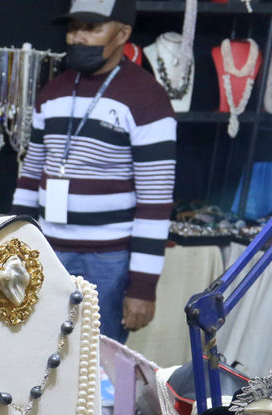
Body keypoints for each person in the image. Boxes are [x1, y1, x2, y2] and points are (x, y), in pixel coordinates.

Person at [11, 0, 176, 343]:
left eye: (92, 28)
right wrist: (16, 247)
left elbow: (156, 200)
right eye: (74, 28)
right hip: (48, 253)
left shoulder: (147, 98)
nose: (78, 37)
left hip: (109, 261)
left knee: (98, 370)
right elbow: (30, 176)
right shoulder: (53, 91)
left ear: (122, 34)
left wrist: (143, 288)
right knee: (39, 355)